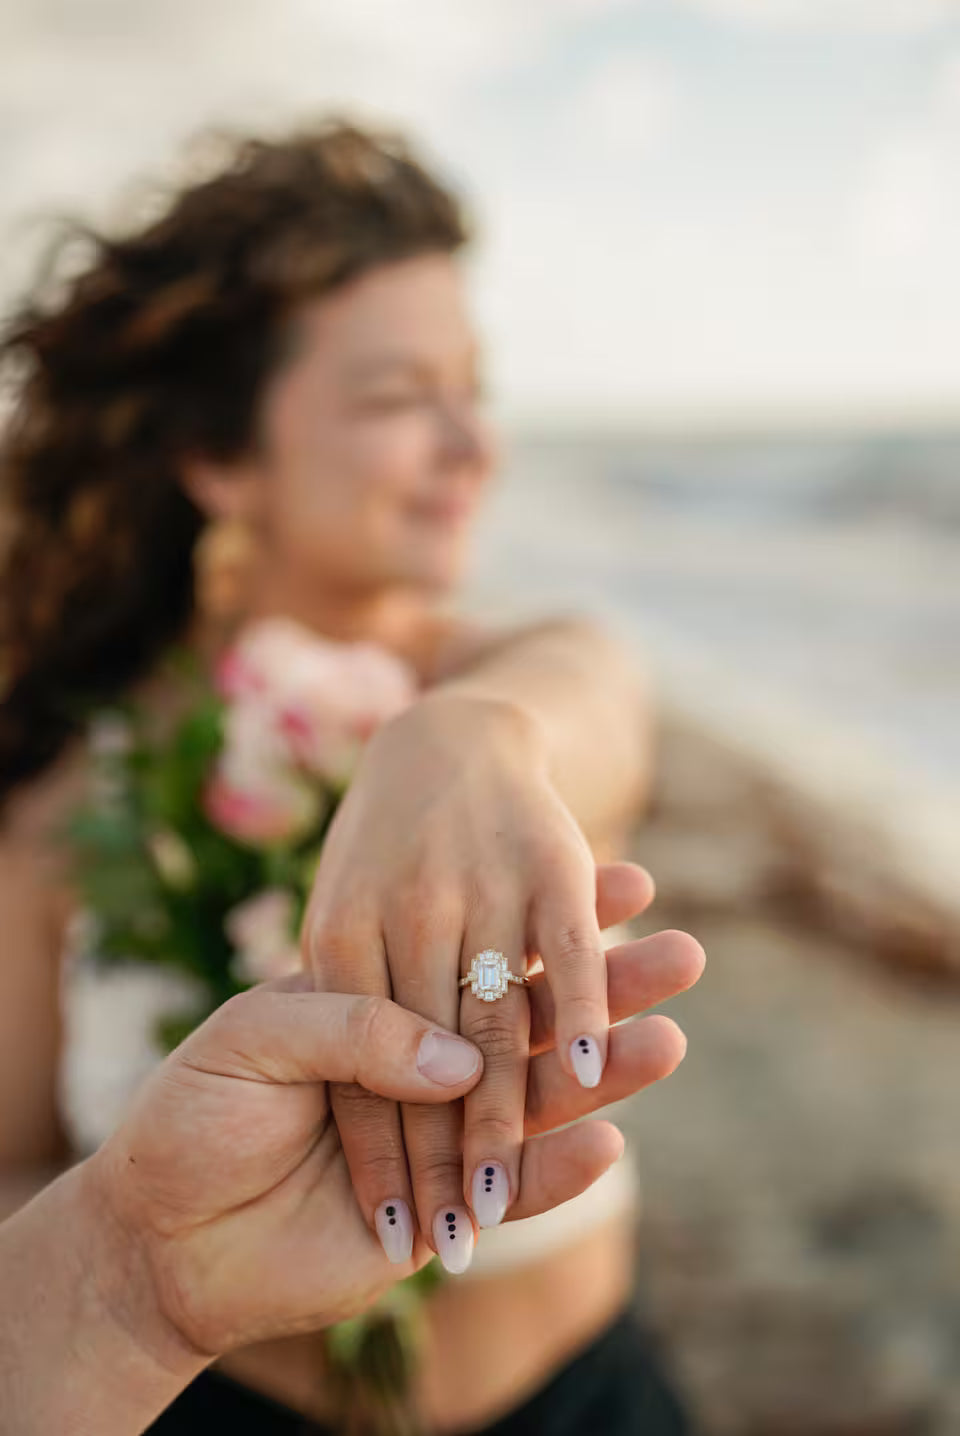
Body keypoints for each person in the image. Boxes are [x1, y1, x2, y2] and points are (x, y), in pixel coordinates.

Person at [0, 121, 695, 1431]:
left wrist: (464, 737)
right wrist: (147, 1233)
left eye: (471, 388)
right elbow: (15, 1170)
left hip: (583, 1396)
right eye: (396, 398)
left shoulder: (526, 686)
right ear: (218, 460)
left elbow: (595, 695)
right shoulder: (57, 805)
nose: (471, 444)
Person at [0, 904, 698, 1435]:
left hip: (570, 1390)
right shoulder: (44, 799)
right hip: (203, 1398)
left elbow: (563, 731)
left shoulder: (516, 730)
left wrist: (446, 744)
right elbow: (16, 1169)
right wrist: (137, 1263)